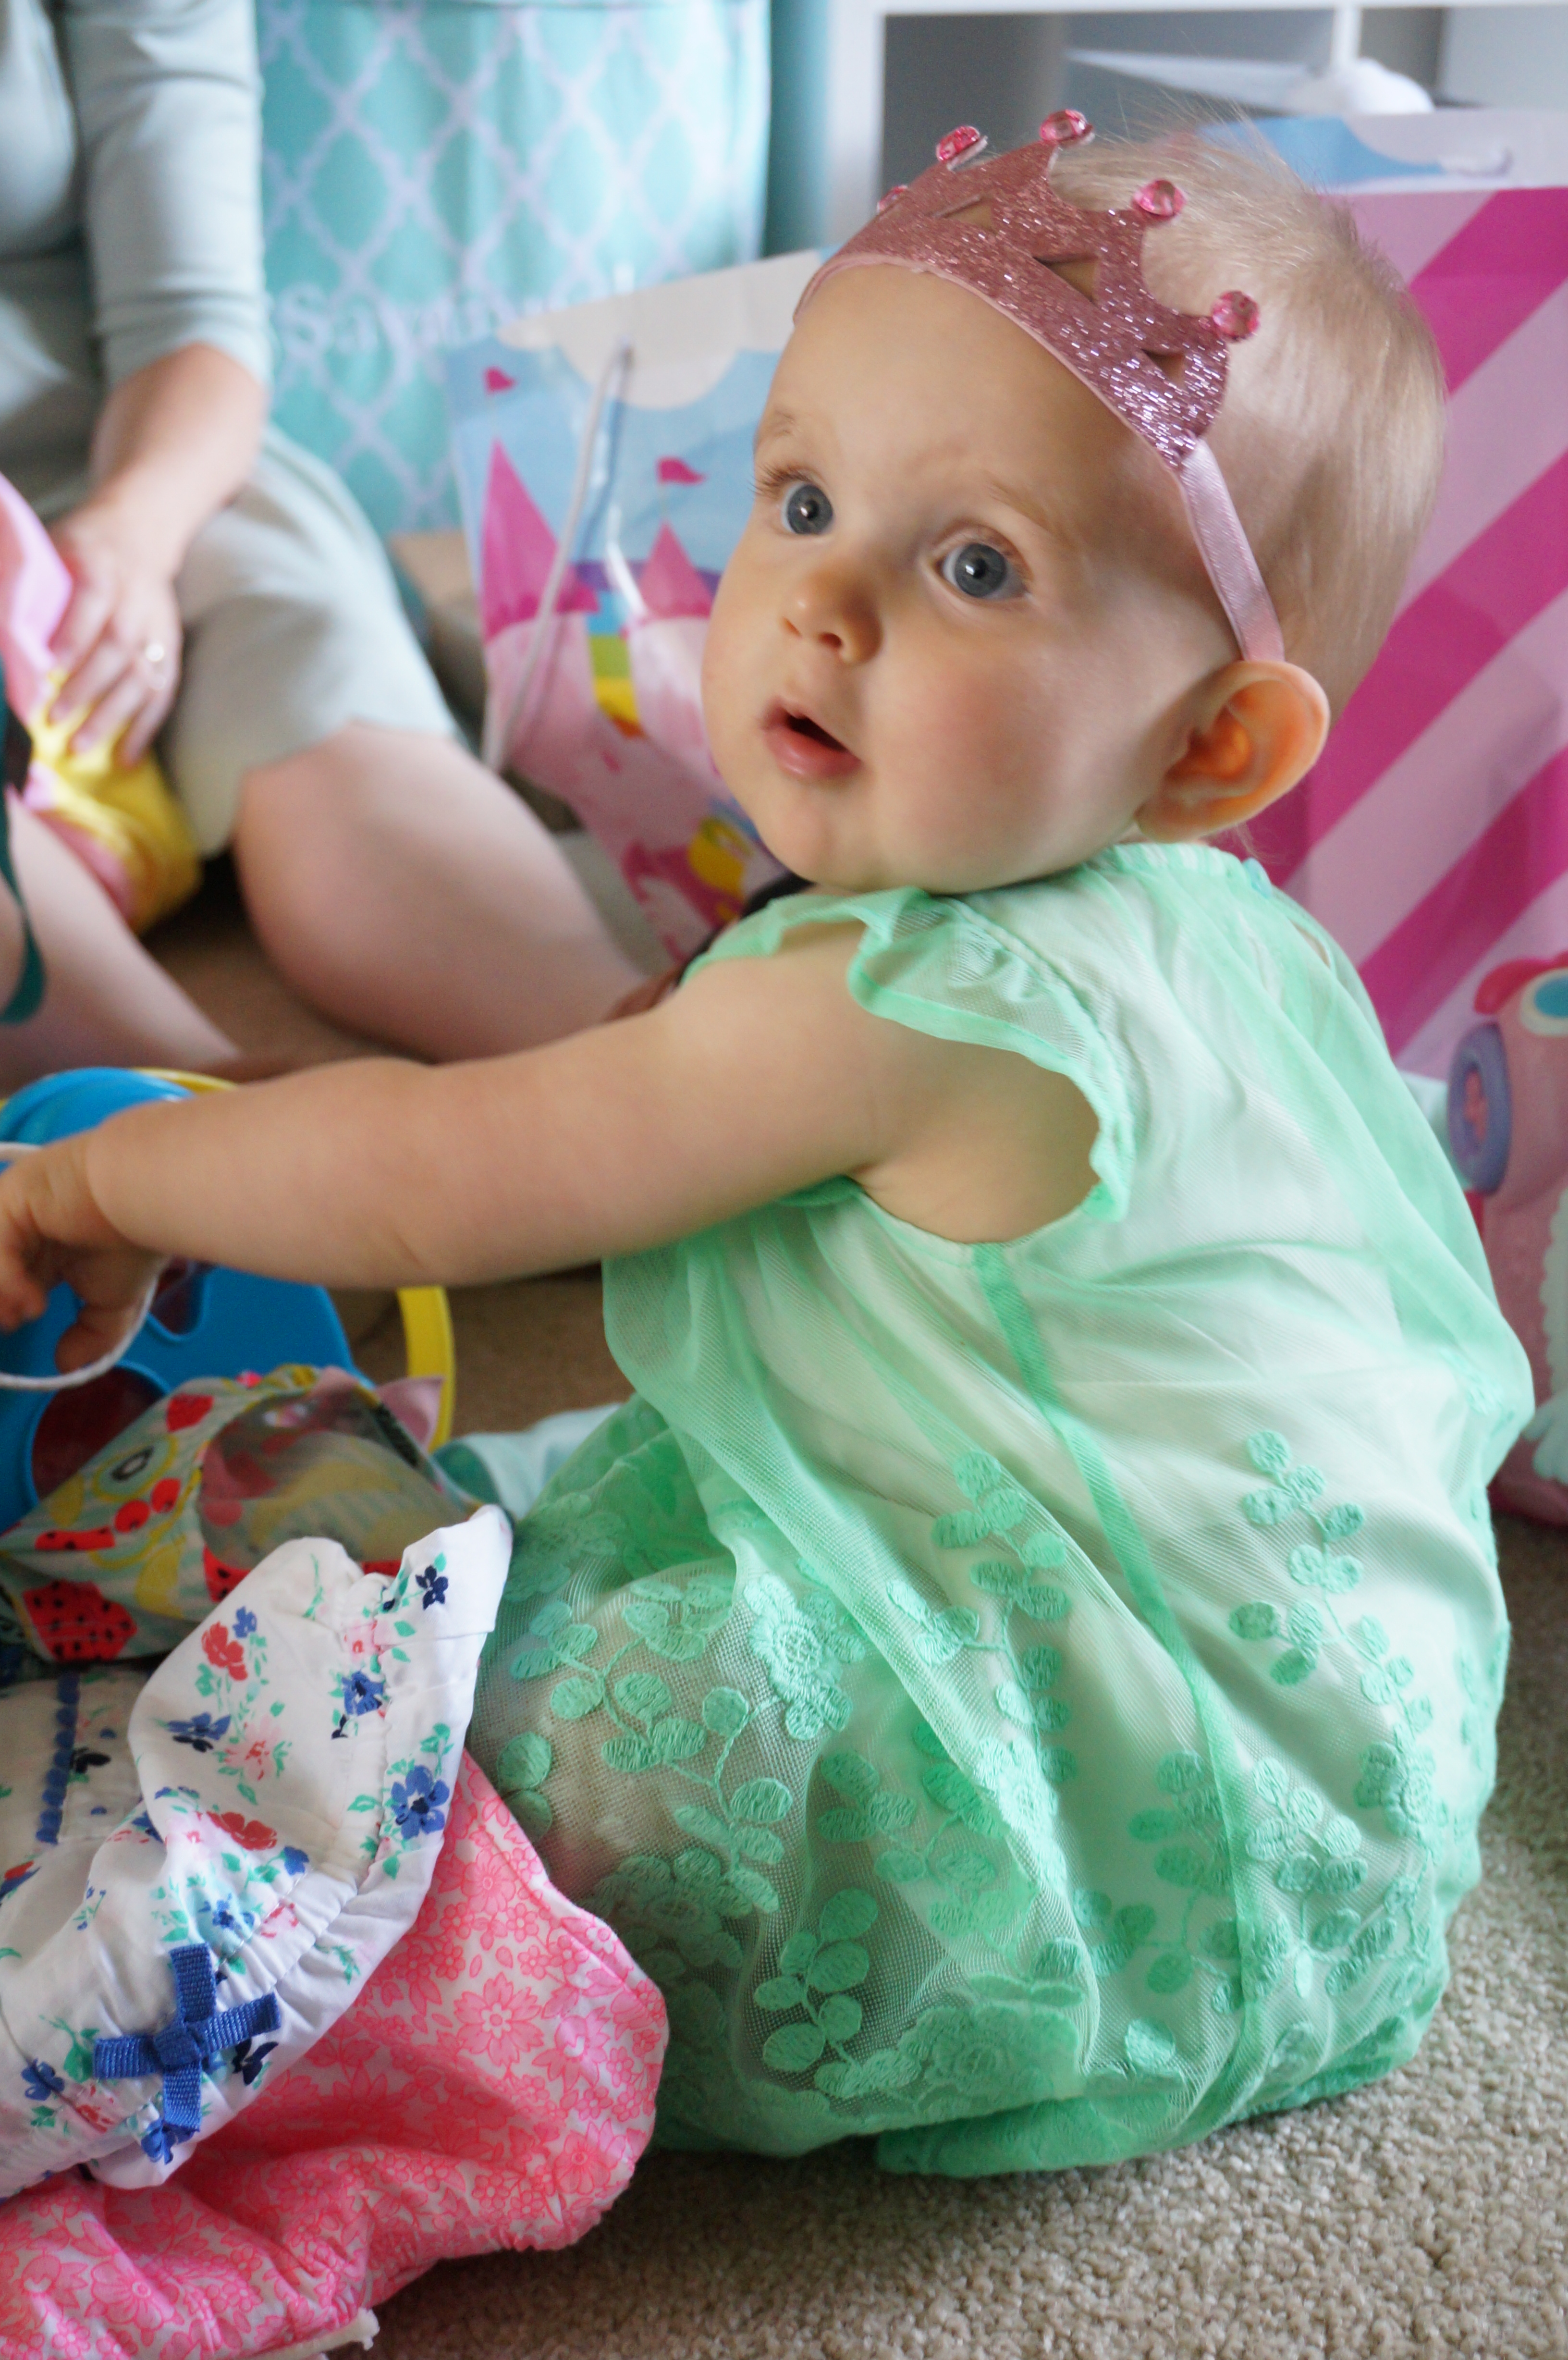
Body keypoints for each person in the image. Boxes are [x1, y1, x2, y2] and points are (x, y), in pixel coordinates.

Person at [0, 129, 1531, 2177]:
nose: (821, 603)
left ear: (1209, 741)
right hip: (1344, 1792)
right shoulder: (1233, 935)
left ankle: (355, 1969)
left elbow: (441, 1170)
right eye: (803, 501)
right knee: (581, 1489)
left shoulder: (883, 1007)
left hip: (1058, 1858)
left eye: (973, 566)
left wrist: (95, 1188)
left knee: (468, 1725)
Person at [0, 0, 639, 1081]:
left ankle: (652, 1060)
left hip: (116, 457)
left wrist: (130, 534)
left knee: (304, 648)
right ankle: (211, 1112)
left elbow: (192, 323)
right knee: (195, 1109)